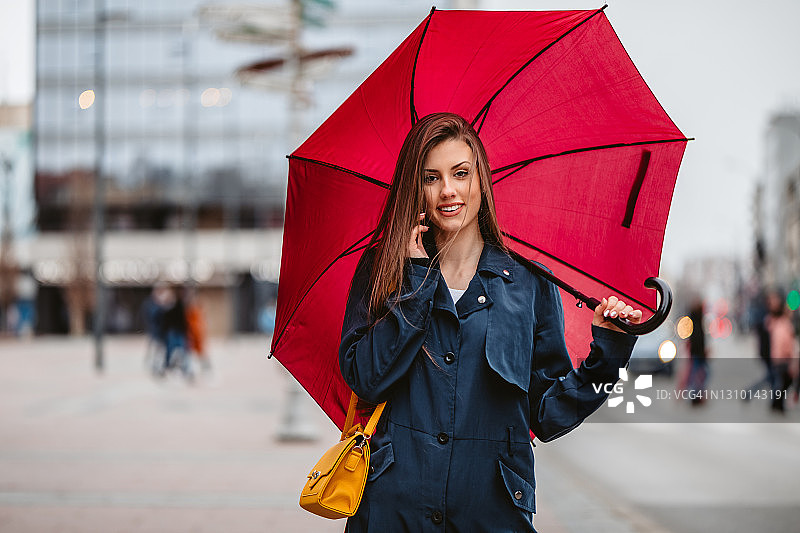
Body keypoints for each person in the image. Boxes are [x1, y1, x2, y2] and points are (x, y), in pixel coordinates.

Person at [338, 113, 642, 532]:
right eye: (431, 178)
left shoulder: (528, 284)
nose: (448, 191)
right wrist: (413, 285)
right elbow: (366, 379)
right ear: (416, 188)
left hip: (490, 514)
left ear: (481, 178)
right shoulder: (384, 268)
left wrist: (606, 356)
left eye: (460, 173)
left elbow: (547, 414)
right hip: (395, 509)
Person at [765, 291, 798, 413]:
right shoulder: (782, 324)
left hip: (780, 357)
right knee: (782, 382)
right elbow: (783, 343)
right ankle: (777, 403)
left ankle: (777, 403)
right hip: (781, 358)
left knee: (780, 381)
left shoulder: (782, 323)